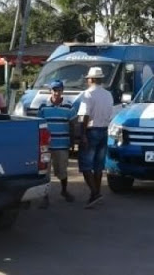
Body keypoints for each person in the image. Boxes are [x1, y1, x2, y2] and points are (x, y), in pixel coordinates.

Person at [77, 67, 113, 208]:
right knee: (98, 166)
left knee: (85, 165)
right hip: (104, 130)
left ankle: (95, 193)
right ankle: (95, 194)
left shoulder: (88, 94)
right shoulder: (108, 95)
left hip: (92, 130)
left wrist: (82, 134)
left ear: (91, 79)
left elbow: (84, 115)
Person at [37, 80, 76, 208]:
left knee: (62, 170)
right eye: (54, 90)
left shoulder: (69, 107)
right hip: (46, 146)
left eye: (59, 90)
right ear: (50, 91)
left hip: (62, 144)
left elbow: (72, 125)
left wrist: (73, 141)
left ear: (62, 91)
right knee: (45, 172)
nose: (56, 92)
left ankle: (64, 191)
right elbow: (39, 125)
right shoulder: (43, 106)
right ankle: (45, 197)